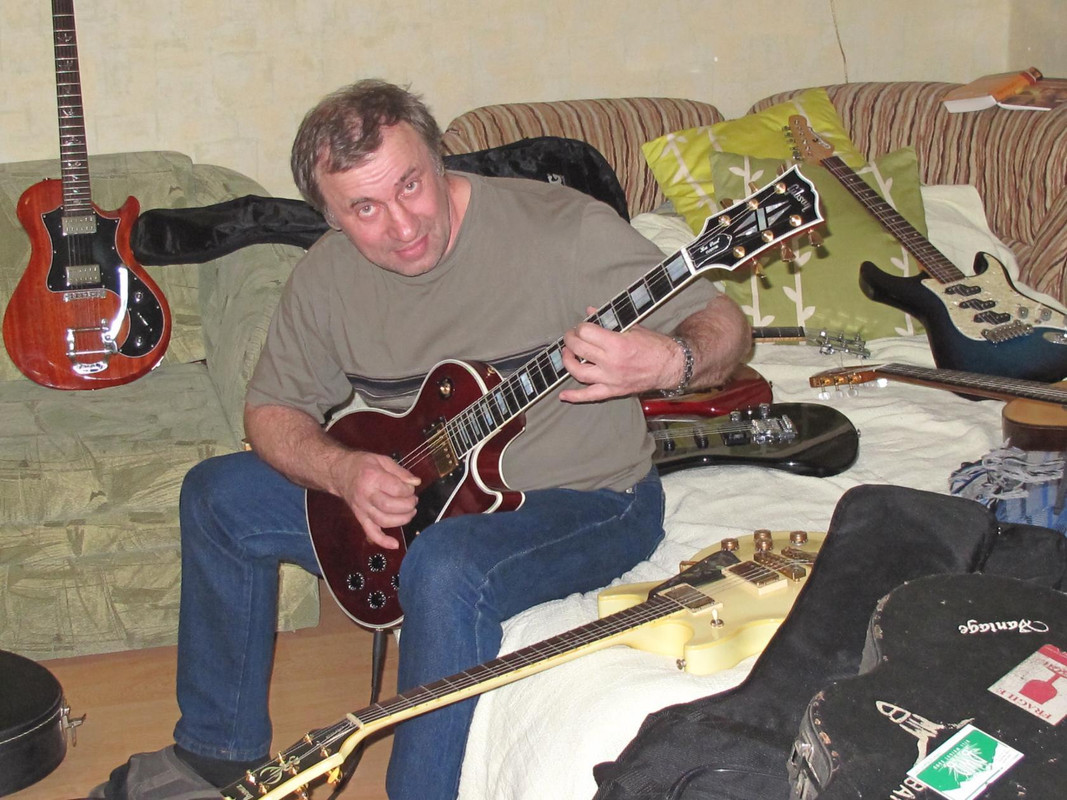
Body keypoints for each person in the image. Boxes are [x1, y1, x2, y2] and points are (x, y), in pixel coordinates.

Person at [90, 78, 751, 800]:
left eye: (410, 185)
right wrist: (342, 472)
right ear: (330, 216)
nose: (402, 225)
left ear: (438, 159)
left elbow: (723, 326)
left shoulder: (562, 229)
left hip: (587, 500)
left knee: (444, 566)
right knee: (218, 496)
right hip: (432, 487)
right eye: (364, 208)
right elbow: (272, 411)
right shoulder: (326, 280)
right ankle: (214, 751)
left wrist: (671, 361)